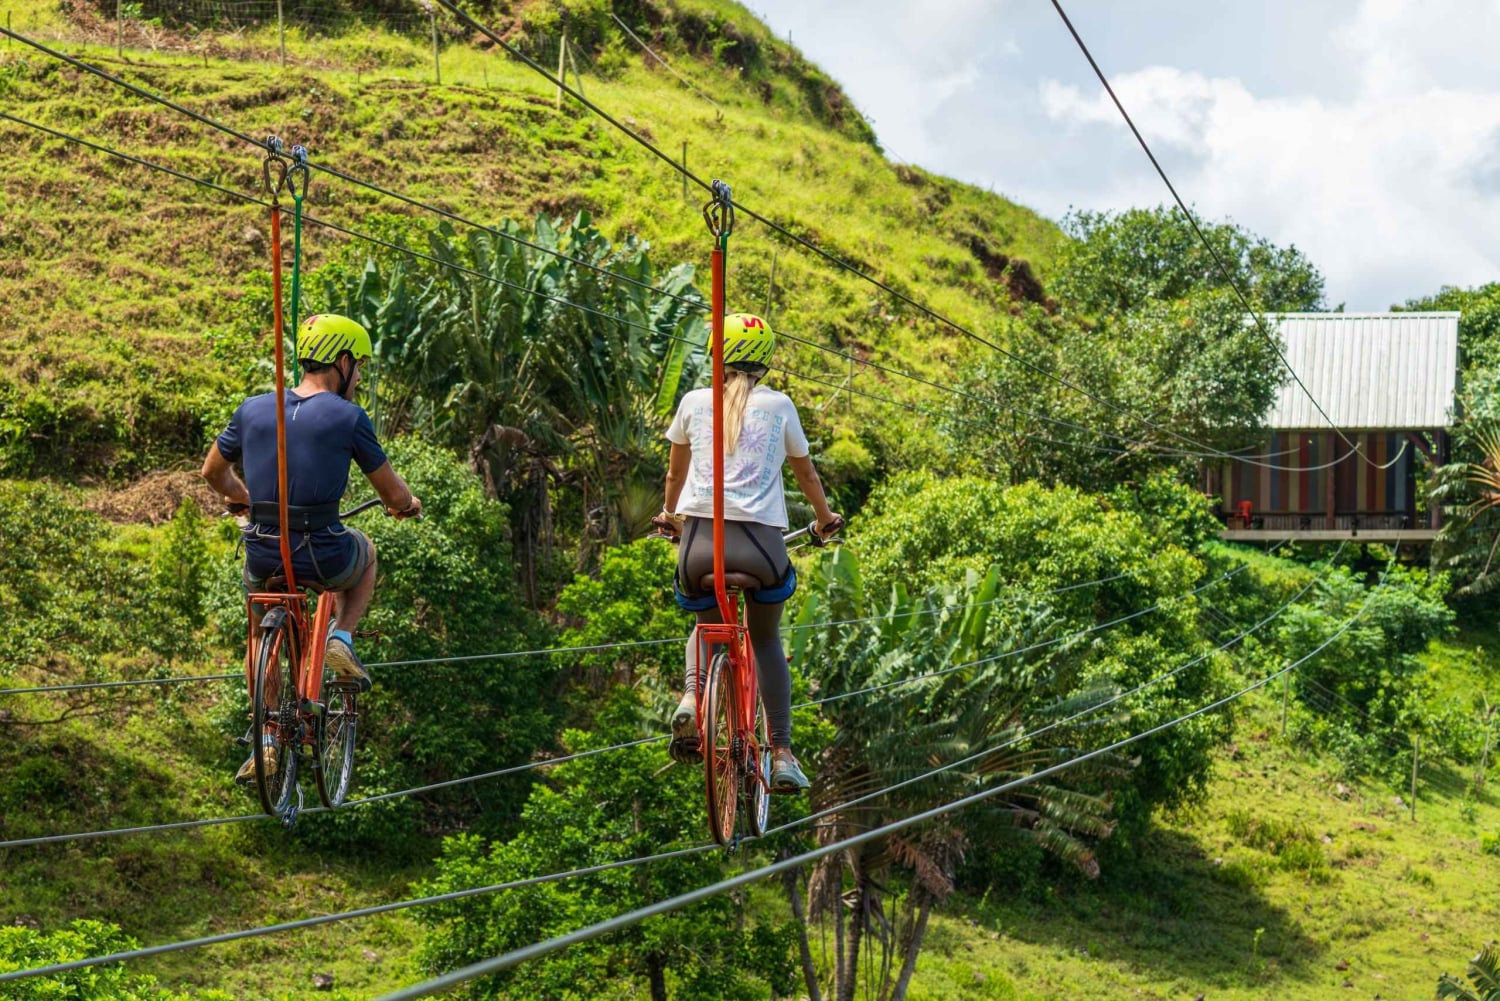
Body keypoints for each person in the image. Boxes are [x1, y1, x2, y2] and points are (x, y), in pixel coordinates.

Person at [200, 313, 422, 784]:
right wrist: (406, 505)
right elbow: (392, 492)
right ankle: (342, 638)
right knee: (366, 552)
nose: (357, 378)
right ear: (342, 361)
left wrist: (243, 498)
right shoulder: (349, 417)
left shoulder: (253, 409)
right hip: (322, 554)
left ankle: (265, 740)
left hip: (263, 552)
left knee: (258, 633)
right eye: (358, 367)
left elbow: (212, 472)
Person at [656, 313, 843, 792]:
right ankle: (781, 753)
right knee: (765, 639)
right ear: (765, 361)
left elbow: (674, 477)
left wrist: (670, 517)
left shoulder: (693, 402)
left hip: (699, 546)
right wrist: (825, 519)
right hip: (761, 548)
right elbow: (807, 476)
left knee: (705, 625)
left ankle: (691, 699)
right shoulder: (779, 406)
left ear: (716, 356)